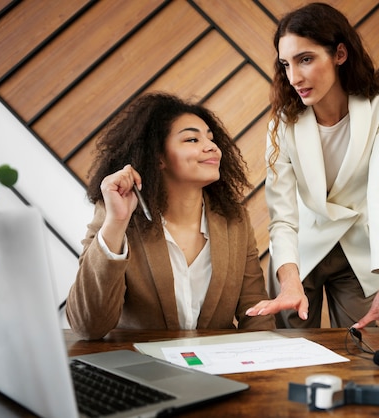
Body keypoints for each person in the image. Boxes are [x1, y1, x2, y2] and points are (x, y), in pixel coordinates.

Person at [245, 2, 379, 331]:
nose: (294, 77)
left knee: (367, 353)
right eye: (286, 64)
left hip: (357, 246)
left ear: (339, 54)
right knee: (293, 359)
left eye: (306, 59)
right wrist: (288, 283)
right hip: (298, 255)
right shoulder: (282, 124)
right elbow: (282, 218)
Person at [67, 92, 275, 339]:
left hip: (216, 370)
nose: (211, 146)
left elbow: (256, 312)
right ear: (158, 157)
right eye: (191, 139)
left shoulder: (234, 219)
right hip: (142, 369)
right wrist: (117, 222)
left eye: (210, 138)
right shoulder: (118, 216)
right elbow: (87, 326)